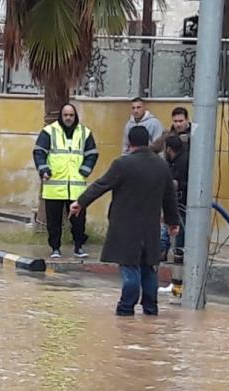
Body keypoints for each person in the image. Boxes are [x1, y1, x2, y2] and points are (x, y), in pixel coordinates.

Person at [70, 126, 180, 316]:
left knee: (130, 269)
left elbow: (101, 185)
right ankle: (150, 309)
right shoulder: (161, 166)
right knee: (149, 268)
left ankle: (126, 308)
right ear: (147, 141)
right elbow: (169, 197)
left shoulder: (123, 164)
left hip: (126, 227)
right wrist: (173, 222)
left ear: (130, 143)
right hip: (150, 228)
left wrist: (80, 202)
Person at [33, 104, 99, 259]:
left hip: (76, 187)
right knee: (54, 222)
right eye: (65, 115)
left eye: (71, 115)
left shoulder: (84, 132)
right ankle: (55, 248)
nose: (68, 118)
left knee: (78, 221)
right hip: (54, 186)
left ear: (75, 116)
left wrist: (85, 169)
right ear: (61, 116)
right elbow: (39, 152)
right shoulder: (49, 131)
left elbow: (92, 153)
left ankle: (79, 247)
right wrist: (44, 169)